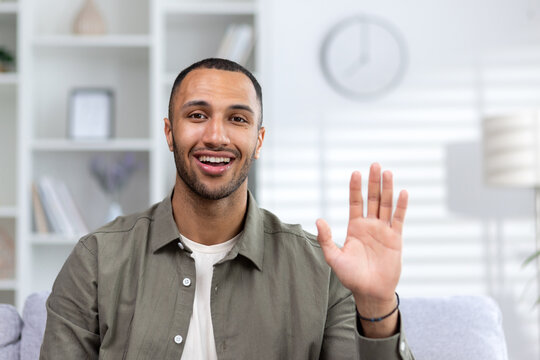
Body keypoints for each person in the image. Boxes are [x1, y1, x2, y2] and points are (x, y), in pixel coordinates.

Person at [40, 58, 415, 359]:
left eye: (237, 119)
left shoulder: (323, 269)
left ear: (259, 139)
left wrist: (376, 305)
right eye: (197, 115)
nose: (216, 136)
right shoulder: (97, 259)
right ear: (170, 133)